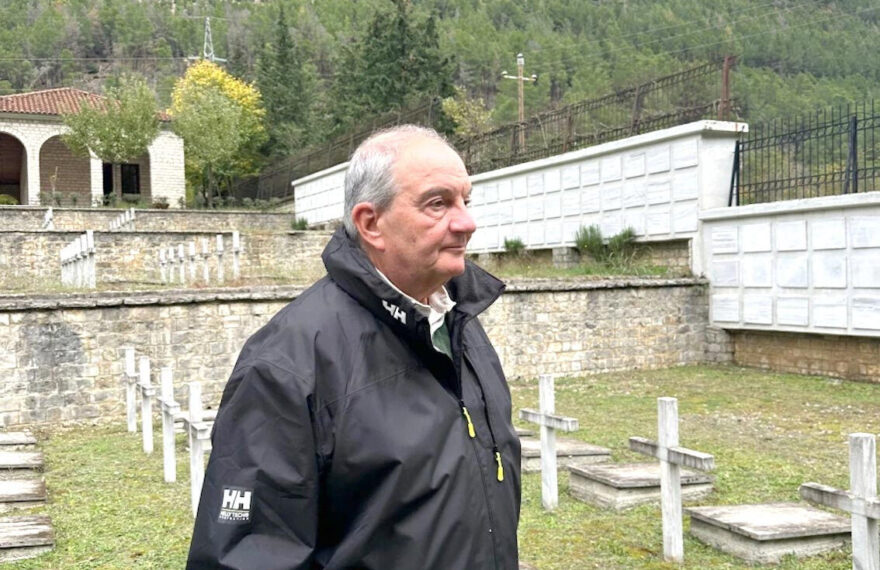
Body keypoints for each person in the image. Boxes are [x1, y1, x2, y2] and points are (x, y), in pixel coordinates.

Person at [186, 125, 521, 569]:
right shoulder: (288, 365)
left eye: (465, 201)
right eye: (438, 204)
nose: (466, 223)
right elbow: (247, 557)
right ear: (370, 224)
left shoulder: (461, 325)